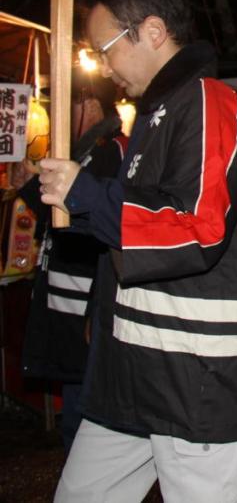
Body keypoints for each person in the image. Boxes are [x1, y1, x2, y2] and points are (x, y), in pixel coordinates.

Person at [38, 0, 237, 502]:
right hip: (136, 364)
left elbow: (198, 228)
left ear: (151, 30)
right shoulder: (159, 112)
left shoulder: (212, 101)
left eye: (106, 48)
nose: (102, 66)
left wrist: (89, 197)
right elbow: (133, 221)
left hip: (195, 369)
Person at [17, 69, 126, 452]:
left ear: (93, 105)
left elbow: (106, 229)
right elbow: (38, 200)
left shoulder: (112, 151)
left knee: (86, 412)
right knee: (76, 402)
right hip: (65, 302)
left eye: (71, 103)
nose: (62, 112)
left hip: (85, 303)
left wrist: (97, 311)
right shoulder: (81, 150)